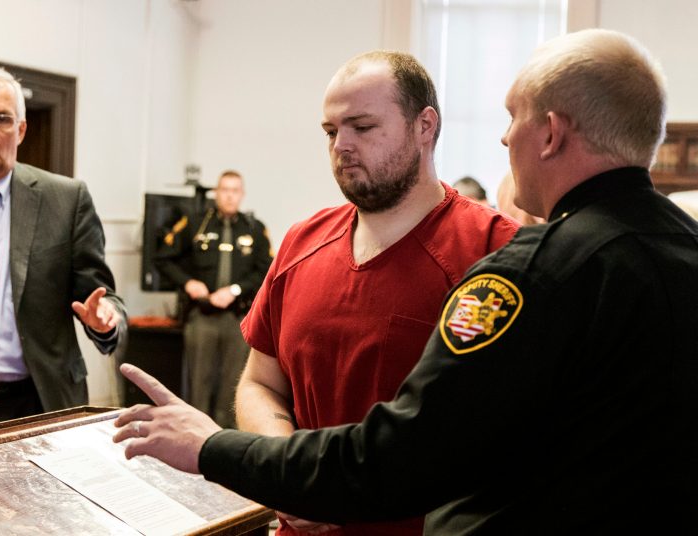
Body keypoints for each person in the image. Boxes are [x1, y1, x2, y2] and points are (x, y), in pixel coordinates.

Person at [114, 29, 698, 534]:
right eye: (330, 129)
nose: (501, 139)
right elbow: (263, 381)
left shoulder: (522, 265)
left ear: (548, 134)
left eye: (512, 118)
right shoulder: (678, 247)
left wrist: (214, 447)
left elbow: (400, 456)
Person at [209, 51, 518, 535]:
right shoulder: (300, 242)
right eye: (331, 132)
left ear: (425, 126)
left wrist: (341, 489)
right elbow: (260, 383)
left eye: (363, 127)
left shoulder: (496, 251)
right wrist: (290, 473)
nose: (341, 146)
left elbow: (504, 430)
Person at [0, 66, 127, 434]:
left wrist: (104, 319)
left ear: (20, 130)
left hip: (38, 404)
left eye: (2, 119)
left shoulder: (66, 201)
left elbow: (104, 298)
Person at [156, 170, 272, 428]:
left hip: (238, 319)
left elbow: (267, 270)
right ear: (217, 193)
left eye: (234, 191)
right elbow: (163, 257)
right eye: (224, 190)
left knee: (233, 387)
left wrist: (235, 290)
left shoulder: (254, 228)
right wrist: (188, 282)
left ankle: (226, 443)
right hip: (202, 317)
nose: (229, 196)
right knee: (199, 385)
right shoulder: (196, 223)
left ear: (241, 195)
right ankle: (195, 441)